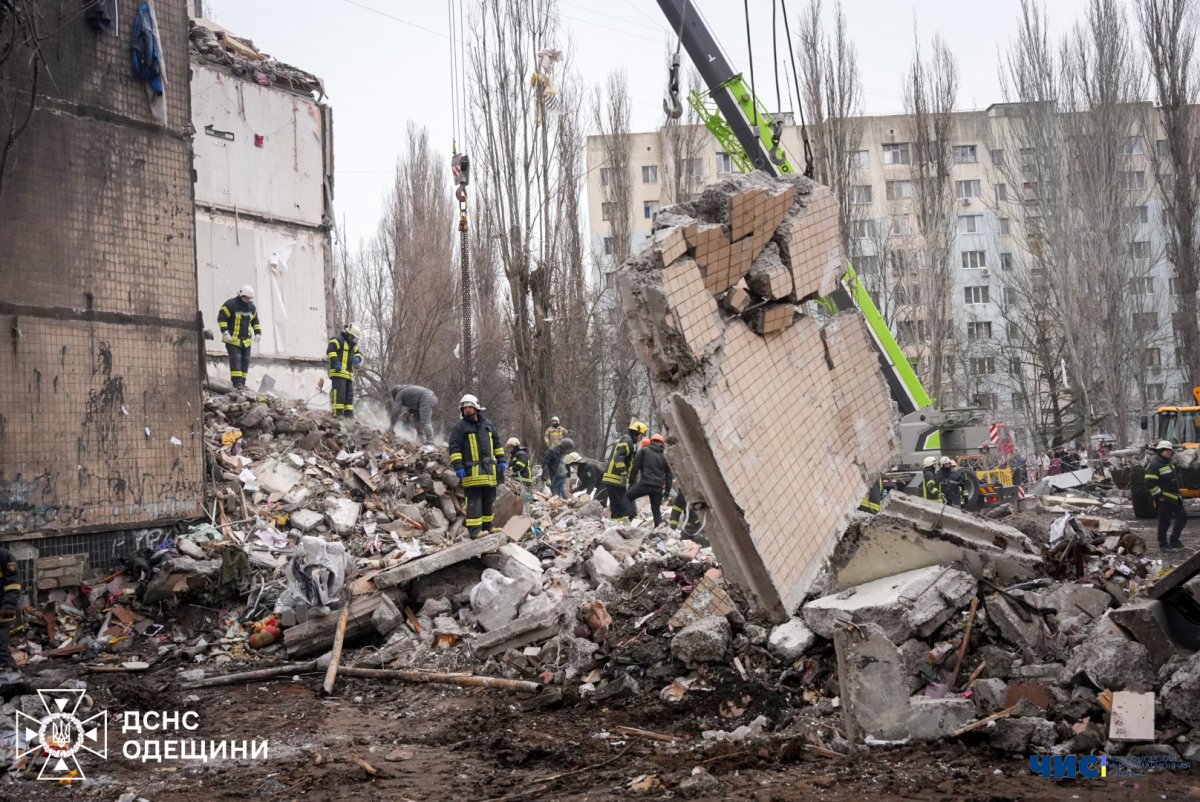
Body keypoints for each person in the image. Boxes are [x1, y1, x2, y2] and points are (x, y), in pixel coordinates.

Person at [448, 394, 506, 538]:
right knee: (474, 501)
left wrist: (501, 460)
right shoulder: (459, 427)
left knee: (489, 499)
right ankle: (475, 531)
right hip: (471, 472)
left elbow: (497, 444)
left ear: (476, 408)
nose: (467, 410)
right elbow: (454, 449)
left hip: (489, 471)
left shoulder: (488, 424)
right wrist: (458, 467)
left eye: (469, 407)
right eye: (464, 407)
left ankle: (488, 527)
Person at [217, 285, 261, 390]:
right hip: (232, 340)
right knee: (236, 360)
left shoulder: (251, 307)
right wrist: (225, 332)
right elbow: (221, 318)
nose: (248, 300)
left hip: (246, 341)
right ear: (241, 295)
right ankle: (237, 384)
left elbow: (255, 321)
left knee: (245, 362)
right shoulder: (230, 305)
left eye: (250, 299)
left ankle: (242, 383)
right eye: (246, 298)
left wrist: (258, 332)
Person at [602, 418, 647, 522]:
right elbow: (619, 459)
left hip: (612, 478)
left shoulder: (624, 439)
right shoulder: (627, 441)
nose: (641, 439)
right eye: (641, 436)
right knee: (623, 504)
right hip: (616, 478)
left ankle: (617, 525)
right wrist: (624, 474)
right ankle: (627, 524)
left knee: (616, 507)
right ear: (636, 433)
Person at [1147, 439, 1187, 551]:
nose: (1169, 452)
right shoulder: (1155, 464)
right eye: (1166, 450)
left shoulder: (1168, 462)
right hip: (1164, 499)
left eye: (1170, 450)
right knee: (1164, 521)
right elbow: (1149, 482)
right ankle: (1163, 544)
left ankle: (1174, 540)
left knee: (1183, 517)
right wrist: (1159, 496)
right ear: (1160, 451)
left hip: (1174, 497)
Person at [627, 433, 671, 526]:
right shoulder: (664, 457)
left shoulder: (644, 451)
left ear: (651, 441)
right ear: (662, 444)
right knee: (656, 510)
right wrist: (667, 492)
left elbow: (635, 467)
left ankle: (630, 518)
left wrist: (631, 482)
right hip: (658, 488)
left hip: (645, 484)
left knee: (628, 497)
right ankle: (658, 530)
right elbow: (669, 476)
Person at [327, 323, 363, 417]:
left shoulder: (353, 344)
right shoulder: (338, 339)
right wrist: (335, 362)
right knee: (340, 394)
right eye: (352, 336)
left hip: (348, 374)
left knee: (349, 395)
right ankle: (337, 414)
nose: (353, 338)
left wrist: (357, 358)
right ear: (348, 333)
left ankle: (348, 415)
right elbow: (330, 350)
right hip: (338, 373)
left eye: (355, 337)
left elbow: (358, 353)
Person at [0, 546, 21, 681]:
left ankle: (14, 677)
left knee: (0, 646)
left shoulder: (4, 556)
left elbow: (14, 585)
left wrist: (8, 605)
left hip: (5, 609)